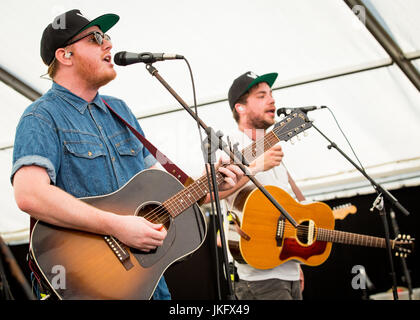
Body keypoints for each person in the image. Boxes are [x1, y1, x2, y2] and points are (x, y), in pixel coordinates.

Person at [10, 9, 242, 300]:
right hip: (86, 284)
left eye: (107, 36)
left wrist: (211, 184)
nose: (108, 44)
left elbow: (167, 190)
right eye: (96, 38)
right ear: (65, 55)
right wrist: (118, 226)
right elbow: (30, 195)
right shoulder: (41, 117)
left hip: (147, 285)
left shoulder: (120, 111)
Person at [217, 71, 305, 300]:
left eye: (272, 94)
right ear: (240, 108)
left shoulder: (271, 146)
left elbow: (294, 203)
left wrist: (299, 259)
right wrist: (255, 166)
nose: (272, 100)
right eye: (261, 95)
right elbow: (209, 194)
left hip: (289, 268)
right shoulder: (229, 147)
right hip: (257, 277)